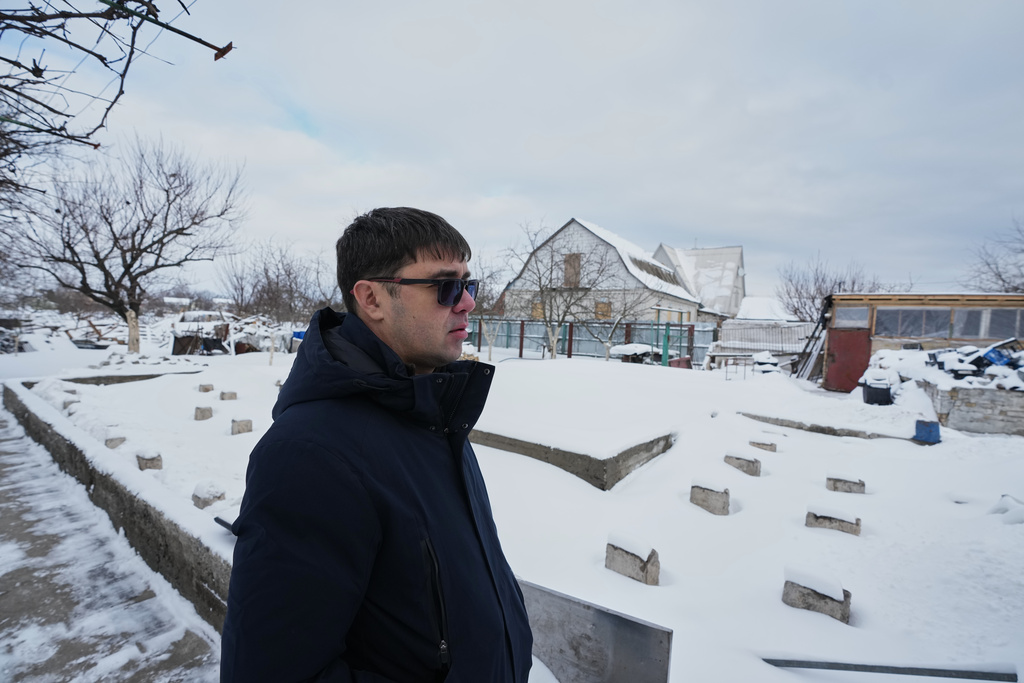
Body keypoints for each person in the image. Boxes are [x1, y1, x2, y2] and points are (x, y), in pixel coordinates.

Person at [221, 208, 533, 682]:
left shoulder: (433, 411)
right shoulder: (310, 454)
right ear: (371, 299)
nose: (467, 303)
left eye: (470, 285)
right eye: (446, 286)